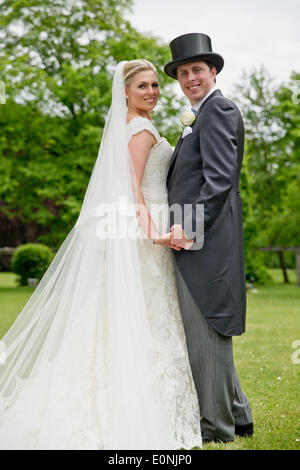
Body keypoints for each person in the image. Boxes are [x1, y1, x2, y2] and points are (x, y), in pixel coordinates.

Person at [0, 60, 202, 450]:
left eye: (155, 85)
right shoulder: (140, 130)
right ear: (125, 91)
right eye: (142, 86)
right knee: (146, 320)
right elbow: (131, 188)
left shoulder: (130, 125)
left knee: (120, 319)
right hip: (146, 234)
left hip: (138, 231)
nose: (152, 92)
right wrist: (156, 234)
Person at [164, 33, 254, 443]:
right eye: (183, 73)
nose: (190, 78)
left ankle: (216, 428)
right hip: (196, 239)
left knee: (206, 333)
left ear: (212, 71)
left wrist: (189, 227)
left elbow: (219, 181)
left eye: (197, 70)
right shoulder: (200, 115)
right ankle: (239, 415)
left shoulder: (217, 111)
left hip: (204, 243)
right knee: (208, 332)